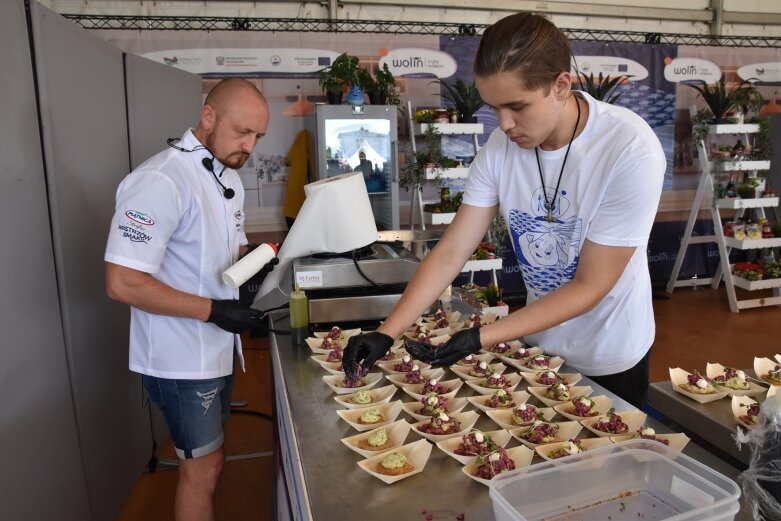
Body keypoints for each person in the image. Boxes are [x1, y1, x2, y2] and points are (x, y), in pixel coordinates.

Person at [343, 12, 665, 409]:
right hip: (538, 345)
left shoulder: (629, 148)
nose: (505, 124)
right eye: (493, 107)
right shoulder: (500, 148)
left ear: (561, 85)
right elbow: (450, 253)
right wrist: (387, 332)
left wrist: (481, 337)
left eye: (517, 106)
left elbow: (590, 287)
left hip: (610, 355)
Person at [104, 78, 273, 521]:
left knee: (210, 463)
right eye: (242, 132)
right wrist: (215, 311)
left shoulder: (226, 176)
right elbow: (123, 282)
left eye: (258, 136)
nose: (250, 145)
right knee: (204, 468)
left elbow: (226, 254)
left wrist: (266, 259)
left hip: (216, 350)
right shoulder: (159, 180)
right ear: (208, 116)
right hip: (179, 358)